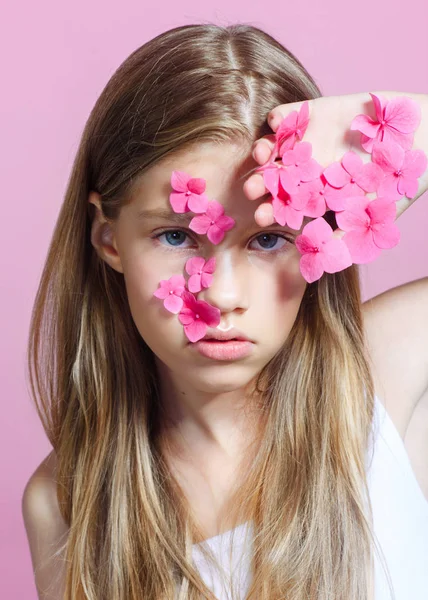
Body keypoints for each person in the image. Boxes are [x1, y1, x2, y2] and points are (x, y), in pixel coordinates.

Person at [21, 22, 428, 600]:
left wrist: (385, 138)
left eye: (268, 240)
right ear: (109, 239)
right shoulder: (66, 500)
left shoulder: (388, 376)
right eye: (175, 237)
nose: (221, 296)